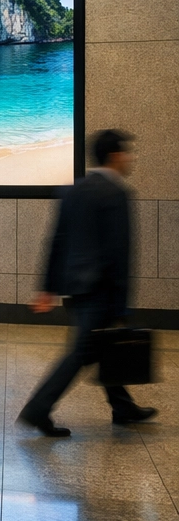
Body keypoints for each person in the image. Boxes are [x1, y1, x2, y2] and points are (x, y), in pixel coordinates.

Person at [18, 129, 158, 437]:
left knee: (102, 346)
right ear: (114, 156)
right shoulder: (117, 194)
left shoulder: (72, 191)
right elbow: (120, 254)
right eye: (128, 152)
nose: (131, 158)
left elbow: (56, 241)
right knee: (82, 352)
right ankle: (38, 409)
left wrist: (48, 288)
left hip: (76, 287)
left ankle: (123, 408)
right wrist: (122, 306)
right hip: (101, 289)